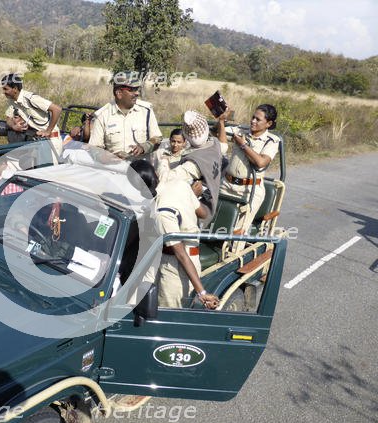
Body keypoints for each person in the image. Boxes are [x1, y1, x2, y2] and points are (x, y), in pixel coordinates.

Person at [128, 160, 219, 310]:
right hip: (174, 254)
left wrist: (202, 292)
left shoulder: (163, 212)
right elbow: (203, 213)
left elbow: (181, 254)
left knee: (167, 313)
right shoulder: (180, 184)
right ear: (156, 174)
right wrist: (191, 199)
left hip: (175, 266)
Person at [216, 103, 279, 243]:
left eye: (258, 119)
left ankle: (234, 256)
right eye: (253, 117)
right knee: (214, 221)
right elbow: (221, 140)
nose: (253, 121)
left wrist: (243, 145)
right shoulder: (241, 130)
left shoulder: (272, 141)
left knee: (238, 232)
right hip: (226, 183)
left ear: (268, 123)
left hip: (249, 190)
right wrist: (221, 121)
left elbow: (261, 162)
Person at [88, 72, 163, 160]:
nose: (137, 93)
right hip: (113, 170)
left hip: (139, 170)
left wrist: (144, 147)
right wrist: (111, 157)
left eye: (137, 89)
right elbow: (94, 149)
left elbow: (157, 138)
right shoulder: (102, 115)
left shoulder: (146, 111)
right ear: (119, 93)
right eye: (132, 90)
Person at [0, 73, 63, 163]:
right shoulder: (12, 100)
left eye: (6, 89)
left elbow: (57, 109)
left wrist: (48, 131)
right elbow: (8, 118)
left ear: (15, 89)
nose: (4, 92)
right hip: (37, 141)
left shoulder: (31, 98)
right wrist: (14, 126)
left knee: (48, 172)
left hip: (51, 140)